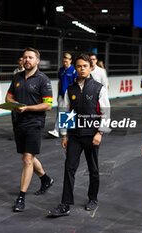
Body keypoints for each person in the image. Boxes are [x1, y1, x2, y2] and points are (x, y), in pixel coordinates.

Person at [48, 53, 110, 217]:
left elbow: (105, 112)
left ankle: (93, 198)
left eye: (85, 66)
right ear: (75, 69)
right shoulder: (71, 89)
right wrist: (64, 135)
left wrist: (100, 132)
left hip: (92, 135)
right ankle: (65, 204)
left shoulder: (99, 88)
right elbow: (66, 111)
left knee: (93, 169)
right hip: (74, 136)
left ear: (90, 67)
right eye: (79, 66)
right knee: (69, 168)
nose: (82, 69)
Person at [6, 47, 54, 212]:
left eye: (31, 57)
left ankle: (21, 197)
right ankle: (45, 178)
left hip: (34, 122)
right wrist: (15, 105)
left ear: (37, 60)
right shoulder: (17, 77)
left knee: (27, 159)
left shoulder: (43, 80)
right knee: (26, 157)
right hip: (19, 122)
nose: (27, 60)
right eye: (25, 57)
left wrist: (27, 108)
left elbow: (48, 105)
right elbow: (9, 96)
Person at [48, 53, 77, 138]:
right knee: (61, 112)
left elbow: (76, 83)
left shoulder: (74, 70)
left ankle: (59, 131)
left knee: (66, 112)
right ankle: (59, 131)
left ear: (70, 61)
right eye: (64, 61)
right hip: (62, 94)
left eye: (66, 62)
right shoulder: (61, 70)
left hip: (70, 95)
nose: (65, 63)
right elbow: (59, 82)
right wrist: (58, 95)